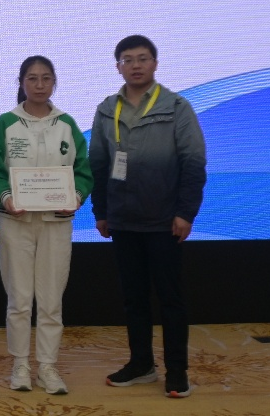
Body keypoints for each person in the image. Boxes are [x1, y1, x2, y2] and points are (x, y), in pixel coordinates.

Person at [89, 35, 206, 399]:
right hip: (123, 221)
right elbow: (98, 165)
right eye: (128, 59)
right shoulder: (107, 110)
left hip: (163, 221)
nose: (136, 65)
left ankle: (177, 371)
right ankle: (141, 364)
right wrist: (101, 212)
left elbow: (194, 163)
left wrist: (185, 213)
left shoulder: (176, 107)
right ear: (118, 67)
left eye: (142, 58)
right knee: (133, 299)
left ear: (155, 63)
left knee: (170, 299)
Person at [0, 55, 92, 396]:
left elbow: (83, 171)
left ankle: (47, 366)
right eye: (32, 78)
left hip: (56, 224)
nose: (40, 85)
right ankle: (20, 364)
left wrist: (75, 196)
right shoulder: (6, 123)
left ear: (54, 82)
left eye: (46, 78)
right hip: (15, 222)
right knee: (19, 299)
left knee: (51, 300)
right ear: (22, 83)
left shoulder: (67, 125)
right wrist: (5, 199)